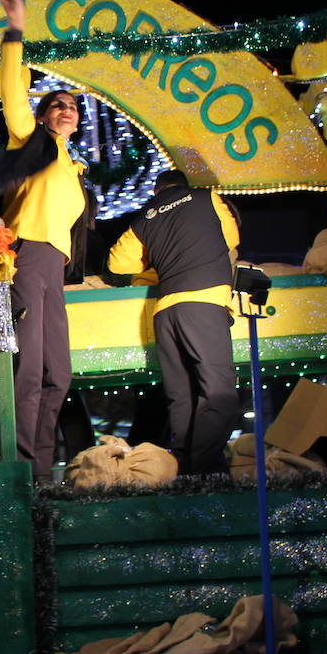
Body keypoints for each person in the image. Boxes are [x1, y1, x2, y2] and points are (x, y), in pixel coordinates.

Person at [0, 0, 93, 482]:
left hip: (54, 267)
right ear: (43, 116)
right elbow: (11, 91)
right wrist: (15, 29)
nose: (65, 109)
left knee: (57, 375)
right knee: (27, 371)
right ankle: (24, 472)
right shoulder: (33, 140)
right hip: (25, 255)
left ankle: (42, 470)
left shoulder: (72, 165)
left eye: (72, 106)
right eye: (56, 105)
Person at [108, 169, 240, 475]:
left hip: (165, 311)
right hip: (204, 303)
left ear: (156, 192)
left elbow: (116, 262)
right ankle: (204, 472)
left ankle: (184, 470)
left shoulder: (145, 218)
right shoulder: (207, 198)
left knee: (181, 396)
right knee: (219, 394)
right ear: (185, 187)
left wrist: (157, 257)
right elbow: (231, 238)